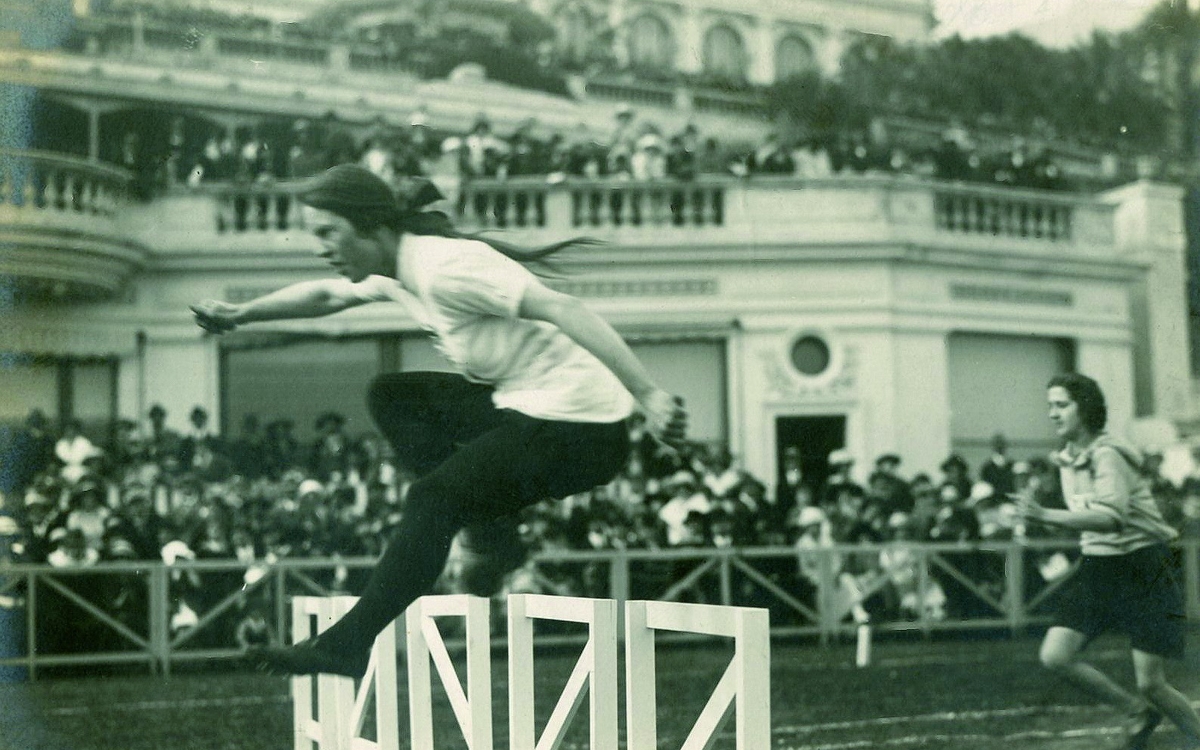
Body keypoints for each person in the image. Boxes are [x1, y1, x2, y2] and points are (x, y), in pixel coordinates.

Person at [190, 164, 687, 678]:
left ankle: (348, 643)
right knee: (392, 395)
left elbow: (564, 307)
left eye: (327, 232)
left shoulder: (445, 268)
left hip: (582, 430)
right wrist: (239, 314)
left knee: (430, 500)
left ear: (371, 226)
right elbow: (326, 296)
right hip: (520, 404)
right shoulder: (397, 270)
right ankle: (489, 529)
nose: (320, 247)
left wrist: (647, 393)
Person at [1015, 373, 1200, 750]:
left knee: (1152, 683)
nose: (1052, 414)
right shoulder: (1067, 456)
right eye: (1049, 405)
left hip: (1144, 566)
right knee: (1055, 655)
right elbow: (1090, 520)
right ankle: (1136, 711)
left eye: (1061, 405)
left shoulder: (1108, 453)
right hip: (1099, 566)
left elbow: (1111, 517)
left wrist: (1046, 516)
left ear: (1085, 408)